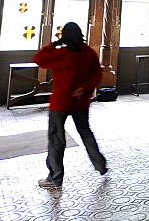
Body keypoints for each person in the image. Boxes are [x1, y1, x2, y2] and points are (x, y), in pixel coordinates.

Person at [33, 22, 107, 188]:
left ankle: (55, 178)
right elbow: (97, 73)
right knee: (86, 133)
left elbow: (38, 59)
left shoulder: (61, 53)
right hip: (81, 101)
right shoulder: (88, 53)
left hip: (61, 102)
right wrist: (85, 88)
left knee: (56, 140)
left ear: (64, 36)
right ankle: (100, 164)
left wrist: (55, 43)